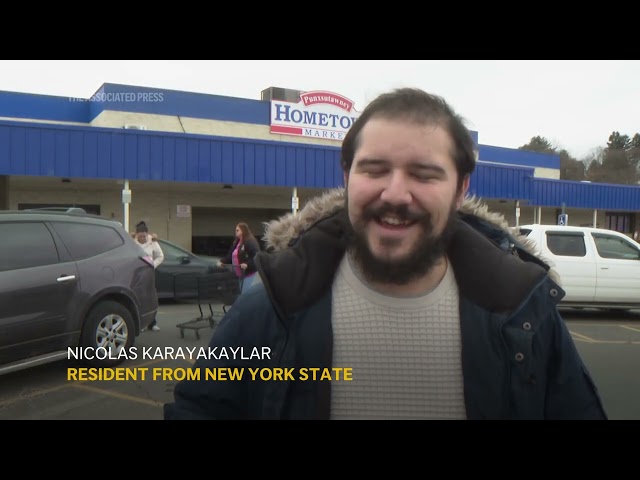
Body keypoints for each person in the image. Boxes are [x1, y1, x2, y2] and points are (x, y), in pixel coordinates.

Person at [164, 87, 607, 420]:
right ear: (348, 176)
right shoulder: (272, 307)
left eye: (424, 174)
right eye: (374, 169)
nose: (395, 194)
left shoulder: (524, 314)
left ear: (461, 190)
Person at [133, 221, 164, 331]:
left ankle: (152, 323)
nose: (142, 238)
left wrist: (153, 265)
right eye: (140, 236)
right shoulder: (133, 242)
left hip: (149, 273)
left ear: (147, 234)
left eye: (144, 236)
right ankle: (140, 324)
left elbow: (160, 256)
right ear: (137, 235)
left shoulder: (153, 241)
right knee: (139, 297)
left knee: (150, 297)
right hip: (137, 273)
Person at [217, 222, 261, 294]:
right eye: (235, 230)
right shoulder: (237, 242)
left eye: (238, 230)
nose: (236, 232)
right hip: (239, 274)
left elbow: (256, 255)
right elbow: (230, 256)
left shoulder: (250, 241)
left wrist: (247, 264)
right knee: (241, 292)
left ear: (243, 231)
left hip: (249, 273)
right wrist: (222, 261)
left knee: (246, 293)